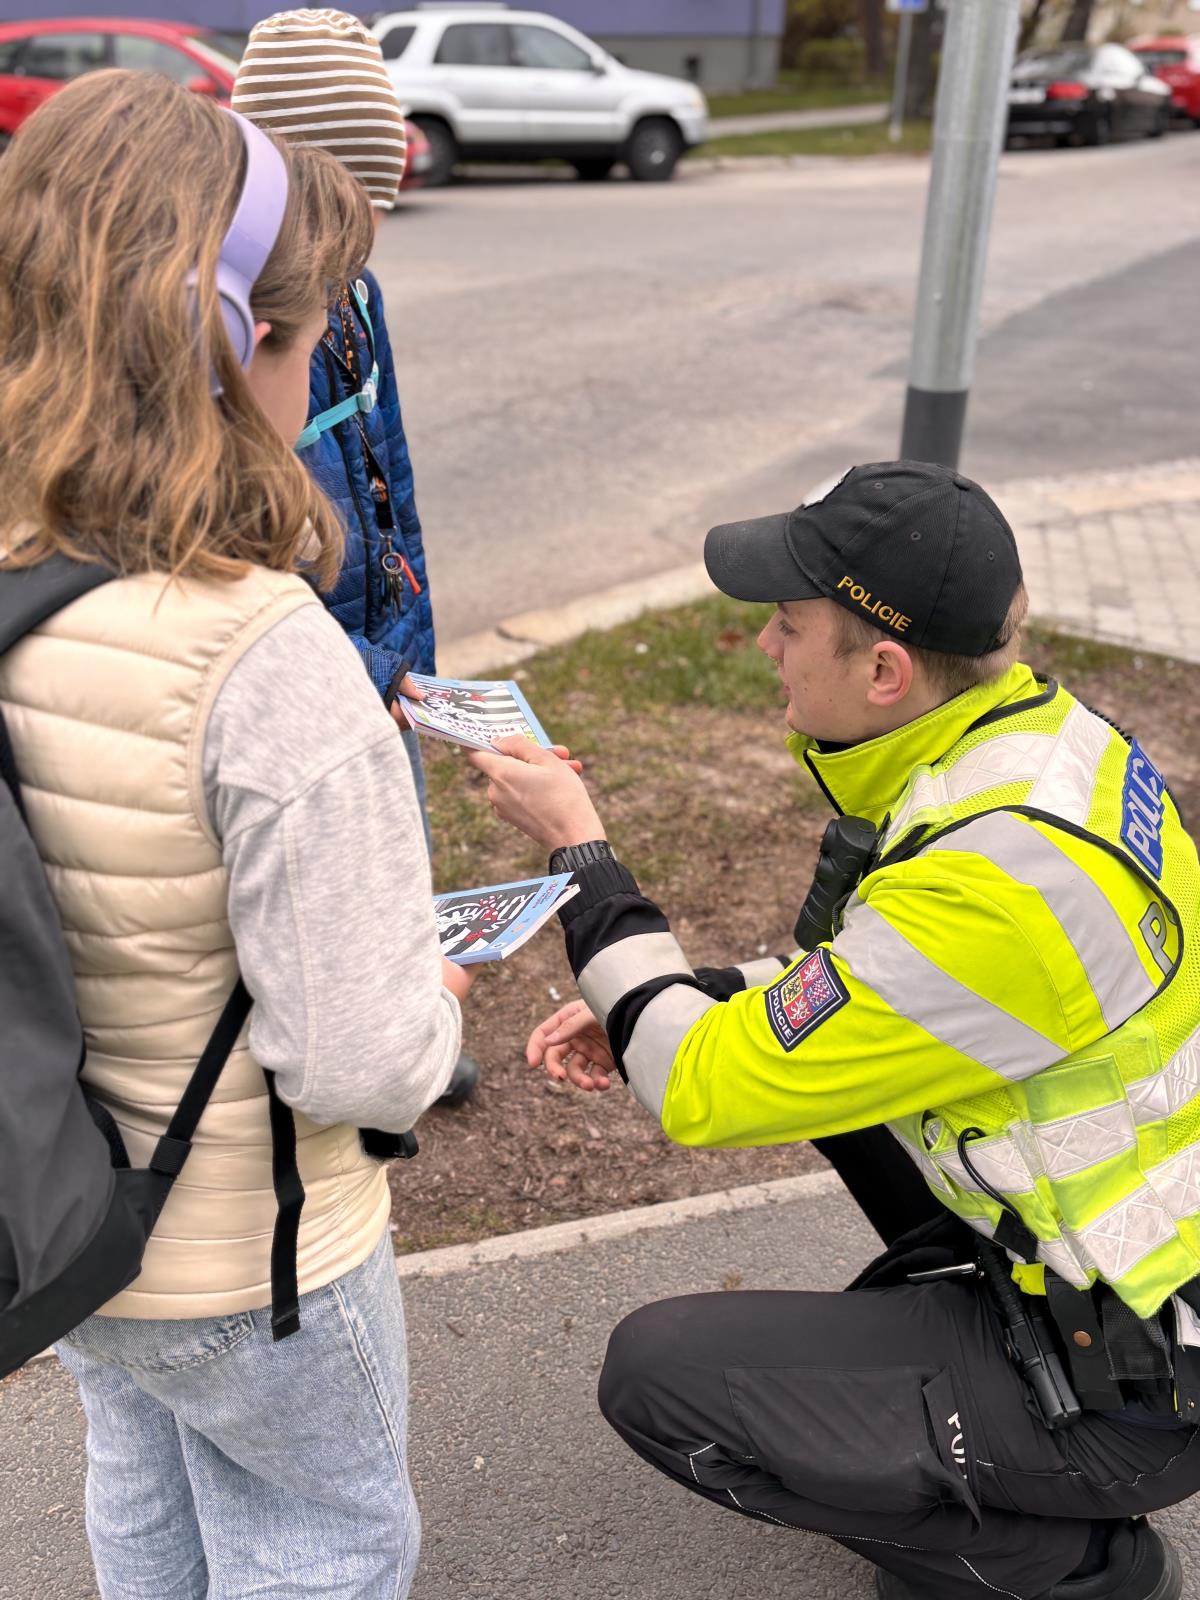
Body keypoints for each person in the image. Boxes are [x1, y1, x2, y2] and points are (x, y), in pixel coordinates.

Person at [471, 461, 1200, 1600]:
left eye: (789, 622)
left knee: (663, 1376)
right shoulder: (1036, 749)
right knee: (802, 1097)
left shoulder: (994, 886)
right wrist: (695, 991)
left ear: (884, 669)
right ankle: (969, 1373)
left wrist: (582, 855)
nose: (766, 644)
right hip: (1131, 1278)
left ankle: (1071, 1570)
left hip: (1134, 1380)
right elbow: (884, 983)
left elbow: (703, 1087)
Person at [0, 72, 476, 1598]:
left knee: (142, 1487)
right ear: (234, 346)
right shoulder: (262, 657)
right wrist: (434, 996)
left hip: (66, 1212)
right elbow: (358, 1062)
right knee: (327, 1538)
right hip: (248, 1248)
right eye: (310, 336)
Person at [232, 8, 479, 1104]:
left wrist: (415, 662)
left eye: (376, 213)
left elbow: (390, 488)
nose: (362, 243)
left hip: (382, 659)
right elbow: (254, 556)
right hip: (309, 669)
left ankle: (417, 1021)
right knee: (321, 875)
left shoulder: (357, 300)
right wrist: (371, 674)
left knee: (401, 844)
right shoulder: (251, 329)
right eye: (346, 213)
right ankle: (362, 1054)